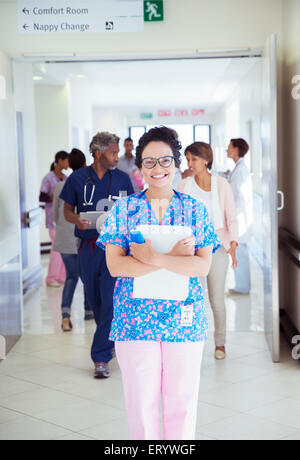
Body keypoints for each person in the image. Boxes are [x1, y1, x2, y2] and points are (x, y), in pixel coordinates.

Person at [97, 127, 220, 440]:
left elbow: (202, 266)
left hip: (184, 319)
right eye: (149, 162)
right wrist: (177, 258)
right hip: (134, 320)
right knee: (141, 403)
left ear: (177, 164)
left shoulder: (195, 210)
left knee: (181, 400)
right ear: (140, 167)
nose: (158, 169)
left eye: (165, 160)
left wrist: (153, 258)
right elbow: (115, 265)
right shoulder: (124, 210)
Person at [60, 132, 134, 378]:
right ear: (99, 153)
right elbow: (67, 211)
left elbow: (133, 212)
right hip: (88, 249)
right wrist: (77, 221)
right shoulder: (78, 179)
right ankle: (111, 341)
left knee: (112, 304)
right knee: (96, 303)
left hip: (115, 250)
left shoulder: (123, 179)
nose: (117, 156)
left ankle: (100, 357)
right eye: (113, 152)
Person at [178, 142, 239, 360]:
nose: (190, 164)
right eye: (187, 159)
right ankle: (191, 342)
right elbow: (176, 217)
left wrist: (233, 244)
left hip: (217, 249)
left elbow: (231, 217)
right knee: (192, 300)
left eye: (193, 159)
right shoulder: (184, 185)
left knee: (216, 299)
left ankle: (220, 344)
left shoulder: (221, 184)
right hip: (191, 252)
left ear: (206, 160)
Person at [53, 148, 94, 332]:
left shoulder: (61, 185)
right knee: (86, 276)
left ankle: (65, 316)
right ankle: (88, 310)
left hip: (64, 238)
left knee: (71, 277)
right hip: (82, 239)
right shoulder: (89, 185)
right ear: (85, 164)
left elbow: (56, 214)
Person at [227, 138, 253, 295]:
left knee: (241, 253)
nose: (226, 149)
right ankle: (241, 286)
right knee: (239, 252)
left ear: (236, 150)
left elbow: (239, 194)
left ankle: (243, 288)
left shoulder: (241, 169)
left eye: (229, 147)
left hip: (240, 219)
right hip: (238, 217)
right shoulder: (238, 168)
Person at [39, 151, 69, 288]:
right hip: (53, 219)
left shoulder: (65, 178)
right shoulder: (48, 178)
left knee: (63, 248)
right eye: (66, 160)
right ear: (60, 160)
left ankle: (61, 276)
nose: (68, 163)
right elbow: (42, 197)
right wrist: (56, 197)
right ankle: (51, 278)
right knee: (56, 250)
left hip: (64, 220)